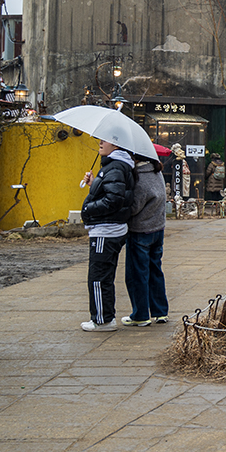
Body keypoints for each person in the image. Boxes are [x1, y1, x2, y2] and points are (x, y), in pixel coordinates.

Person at [79, 139, 136, 331]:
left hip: (106, 229)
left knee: (98, 276)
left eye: (105, 140)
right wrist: (94, 184)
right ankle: (104, 317)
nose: (100, 143)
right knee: (103, 275)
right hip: (108, 228)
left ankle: (102, 320)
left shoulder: (116, 167)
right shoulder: (116, 166)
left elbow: (114, 200)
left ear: (117, 144)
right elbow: (111, 193)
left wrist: (88, 208)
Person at [122, 154, 169, 326]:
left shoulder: (139, 177)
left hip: (140, 231)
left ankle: (140, 315)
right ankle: (160, 312)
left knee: (137, 274)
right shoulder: (157, 172)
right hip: (158, 229)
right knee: (155, 271)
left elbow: (135, 207)